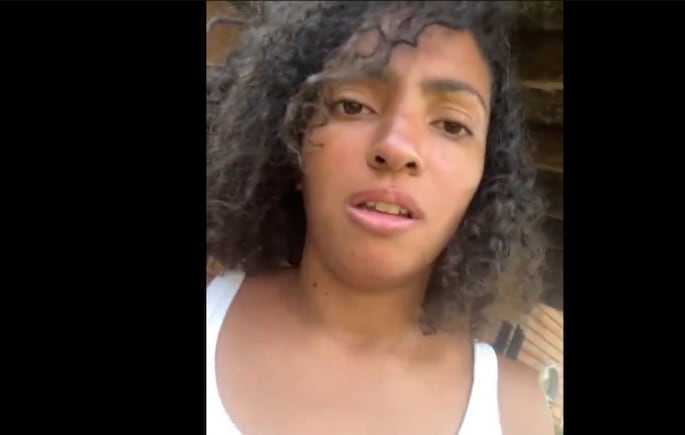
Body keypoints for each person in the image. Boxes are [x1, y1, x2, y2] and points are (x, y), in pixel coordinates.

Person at [206, 2, 554, 434]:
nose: (396, 147)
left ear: (486, 181)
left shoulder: (515, 412)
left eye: (452, 125)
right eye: (353, 106)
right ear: (294, 141)